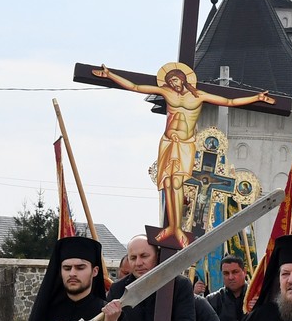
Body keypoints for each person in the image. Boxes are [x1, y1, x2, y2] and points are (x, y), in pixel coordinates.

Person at [92, 64, 276, 247]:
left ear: (183, 79)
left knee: (177, 183)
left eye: (175, 80)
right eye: (170, 81)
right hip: (168, 142)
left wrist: (256, 97)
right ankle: (171, 227)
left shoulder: (199, 96)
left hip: (186, 144)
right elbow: (136, 87)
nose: (173, 84)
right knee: (167, 183)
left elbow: (228, 101)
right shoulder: (167, 92)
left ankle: (177, 229)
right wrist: (110, 75)